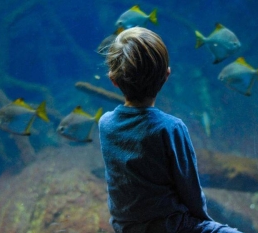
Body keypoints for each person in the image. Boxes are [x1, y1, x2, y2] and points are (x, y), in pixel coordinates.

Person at [99, 26, 242, 233]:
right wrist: (203, 221)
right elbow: (190, 189)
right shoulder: (170, 128)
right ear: (166, 76)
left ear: (113, 79)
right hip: (171, 227)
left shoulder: (105, 124)